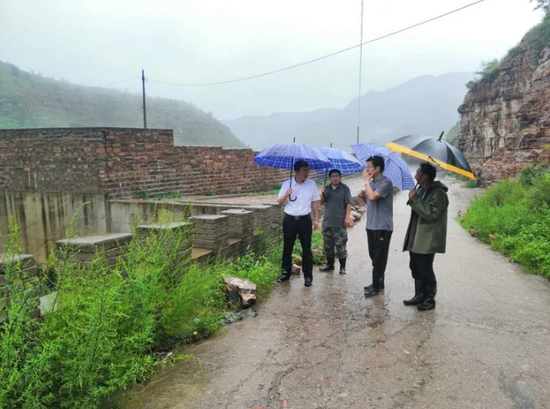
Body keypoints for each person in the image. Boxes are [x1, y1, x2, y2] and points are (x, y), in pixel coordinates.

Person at [403, 162, 449, 311]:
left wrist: (415, 199)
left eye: (418, 172)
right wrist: (414, 198)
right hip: (417, 236)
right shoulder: (423, 190)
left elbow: (430, 214)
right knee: (415, 266)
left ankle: (429, 298)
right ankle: (419, 295)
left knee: (425, 268)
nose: (415, 174)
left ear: (425, 176)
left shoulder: (439, 193)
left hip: (428, 238)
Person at [277, 160, 321, 287]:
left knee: (307, 248)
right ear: (296, 171)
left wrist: (316, 219)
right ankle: (285, 273)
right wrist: (286, 194)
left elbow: (315, 202)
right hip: (290, 219)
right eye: (303, 171)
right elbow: (279, 202)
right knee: (287, 248)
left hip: (305, 220)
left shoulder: (311, 184)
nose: (306, 173)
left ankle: (308, 276)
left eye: (307, 170)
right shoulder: (287, 184)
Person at [358, 155, 394, 297]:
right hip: (371, 225)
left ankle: (377, 287)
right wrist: (362, 196)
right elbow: (370, 202)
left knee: (379, 258)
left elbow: (373, 197)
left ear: (378, 168)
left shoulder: (386, 183)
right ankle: (379, 282)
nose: (367, 169)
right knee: (374, 256)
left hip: (383, 227)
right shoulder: (372, 183)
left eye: (369, 167)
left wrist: (366, 182)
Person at [319, 169, 354, 274]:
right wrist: (322, 194)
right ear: (330, 178)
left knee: (341, 246)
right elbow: (321, 202)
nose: (335, 178)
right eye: (333, 176)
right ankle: (330, 265)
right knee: (328, 246)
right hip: (327, 222)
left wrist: (347, 217)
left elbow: (348, 204)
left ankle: (342, 268)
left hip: (339, 222)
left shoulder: (344, 188)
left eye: (337, 176)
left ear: (340, 177)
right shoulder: (326, 189)